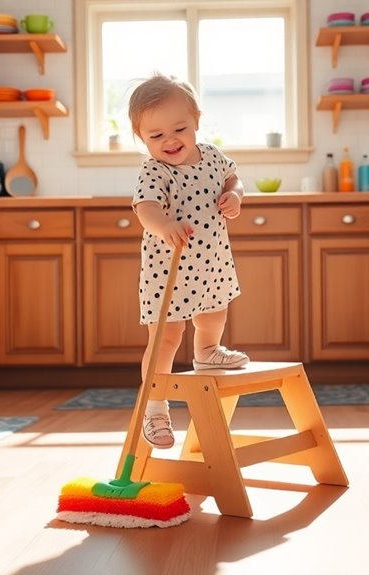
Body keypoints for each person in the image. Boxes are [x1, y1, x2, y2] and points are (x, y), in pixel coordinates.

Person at [129, 73, 250, 449]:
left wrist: (236, 196)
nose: (170, 141)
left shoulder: (213, 156)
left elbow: (234, 179)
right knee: (166, 337)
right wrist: (163, 224)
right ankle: (155, 409)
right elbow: (145, 208)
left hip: (211, 262)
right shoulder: (155, 170)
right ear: (142, 139)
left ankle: (208, 353)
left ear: (196, 120)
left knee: (215, 314)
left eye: (179, 128)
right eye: (156, 136)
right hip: (169, 271)